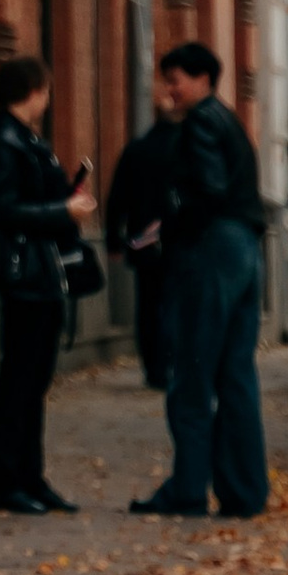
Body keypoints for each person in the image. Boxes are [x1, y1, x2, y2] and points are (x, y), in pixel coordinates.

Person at [131, 39, 271, 520]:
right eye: (167, 80)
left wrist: (168, 227)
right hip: (244, 247)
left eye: (176, 79)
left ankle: (189, 489)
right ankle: (244, 491)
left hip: (210, 250)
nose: (169, 89)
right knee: (235, 375)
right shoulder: (228, 120)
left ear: (202, 79)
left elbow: (206, 191)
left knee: (191, 372)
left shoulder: (200, 124)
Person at [0, 56, 97, 514]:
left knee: (35, 378)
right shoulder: (6, 142)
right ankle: (8, 483)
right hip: (24, 272)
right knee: (20, 379)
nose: (49, 97)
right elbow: (5, 210)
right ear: (33, 90)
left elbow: (31, 199)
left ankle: (30, 477)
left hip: (40, 269)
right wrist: (64, 212)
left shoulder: (25, 140)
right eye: (45, 88)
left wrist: (65, 200)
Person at [104, 108, 182, 390]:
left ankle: (153, 367)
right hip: (178, 241)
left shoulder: (136, 150)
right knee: (175, 302)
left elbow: (116, 199)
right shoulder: (184, 150)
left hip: (142, 241)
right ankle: (172, 362)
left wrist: (114, 240)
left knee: (148, 304)